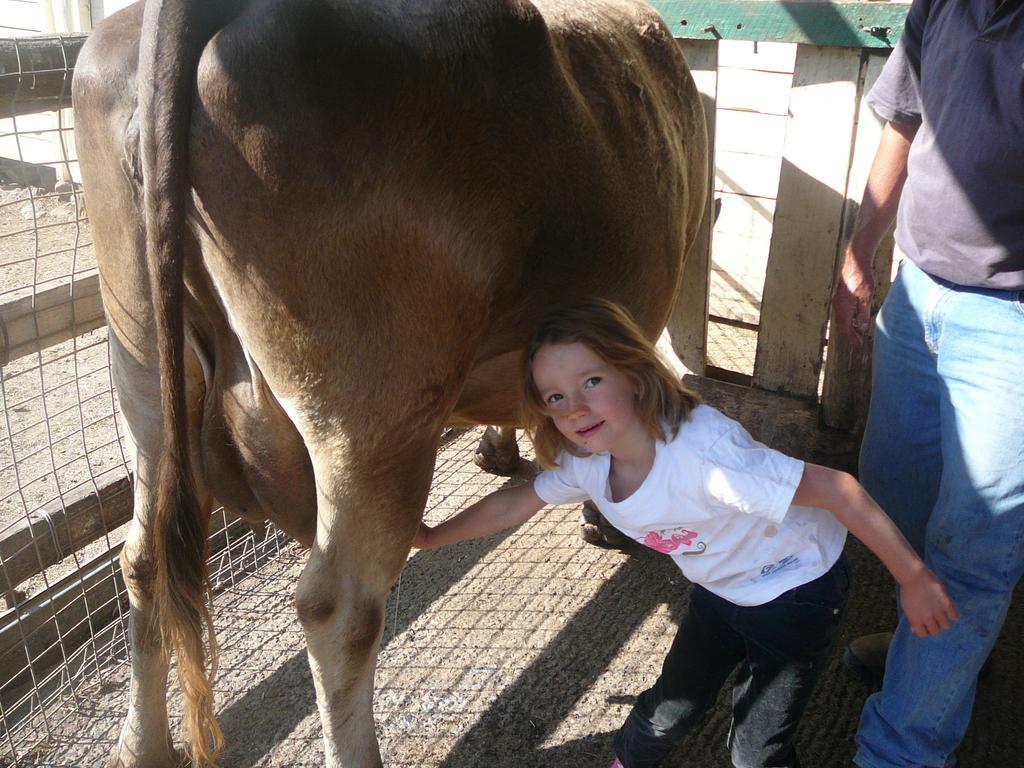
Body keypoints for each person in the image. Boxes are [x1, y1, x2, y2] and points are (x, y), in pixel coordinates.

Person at [414, 300, 958, 768]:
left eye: (591, 381)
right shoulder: (590, 461)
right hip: (719, 589)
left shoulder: (708, 459)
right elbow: (518, 498)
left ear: (635, 372)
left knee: (755, 747)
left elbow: (839, 491)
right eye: (554, 397)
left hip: (796, 591)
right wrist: (432, 536)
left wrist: (913, 578)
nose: (574, 407)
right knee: (669, 708)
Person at [832, 1, 1024, 765]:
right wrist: (860, 246)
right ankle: (934, 654)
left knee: (973, 549)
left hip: (1012, 321)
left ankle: (898, 751)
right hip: (919, 299)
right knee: (896, 497)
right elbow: (903, 121)